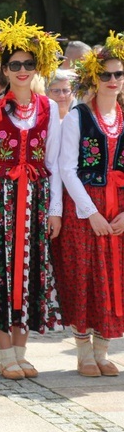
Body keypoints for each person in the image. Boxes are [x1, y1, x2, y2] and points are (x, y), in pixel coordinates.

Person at [0, 12, 64, 380]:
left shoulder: (49, 108)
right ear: (5, 70)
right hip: (3, 195)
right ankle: (4, 352)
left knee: (32, 271)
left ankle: (22, 351)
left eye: (28, 64)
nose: (22, 70)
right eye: (15, 65)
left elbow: (55, 163)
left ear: (37, 67)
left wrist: (56, 210)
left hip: (38, 197)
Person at [53, 33, 124, 377]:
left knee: (114, 275)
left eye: (118, 74)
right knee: (85, 275)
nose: (112, 81)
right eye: (106, 75)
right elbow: (66, 168)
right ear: (94, 78)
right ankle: (83, 350)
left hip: (119, 207)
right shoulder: (77, 117)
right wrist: (91, 212)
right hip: (87, 206)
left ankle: (103, 348)